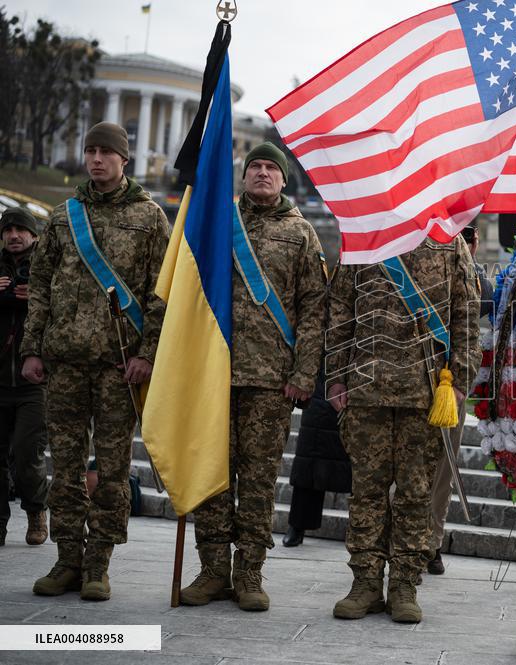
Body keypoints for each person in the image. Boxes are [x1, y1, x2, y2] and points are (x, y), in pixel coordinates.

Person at [21, 122, 170, 600]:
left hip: (116, 365)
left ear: (124, 159)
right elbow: (40, 286)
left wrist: (147, 354)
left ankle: (98, 565)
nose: (97, 160)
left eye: (107, 152)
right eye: (90, 151)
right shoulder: (64, 216)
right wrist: (32, 348)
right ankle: (67, 559)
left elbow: (160, 295)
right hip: (62, 362)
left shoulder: (149, 219)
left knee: (110, 468)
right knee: (64, 467)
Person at [179, 142, 327, 612]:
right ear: (243, 176)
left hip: (270, 379)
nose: (262, 173)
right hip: (213, 374)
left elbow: (313, 310)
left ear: (284, 180)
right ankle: (212, 571)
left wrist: (304, 372)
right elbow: (187, 291)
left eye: (271, 168)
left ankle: (249, 575)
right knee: (213, 475)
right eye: (255, 167)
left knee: (260, 480)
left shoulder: (301, 234)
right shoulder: (215, 223)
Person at [326, 236, 479, 623]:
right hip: (366, 388)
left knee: (415, 493)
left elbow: (466, 315)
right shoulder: (364, 232)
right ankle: (365, 583)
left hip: (424, 392)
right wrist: (335, 378)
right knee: (367, 492)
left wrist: (459, 380)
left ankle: (404, 585)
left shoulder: (449, 242)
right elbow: (341, 311)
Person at [425, 219, 492, 576]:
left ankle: (432, 542)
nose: (462, 242)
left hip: (450, 387)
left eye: (467, 236)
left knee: (442, 471)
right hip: (408, 380)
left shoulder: (478, 277)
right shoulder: (421, 260)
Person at [0, 207, 49, 548]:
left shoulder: (47, 267)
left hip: (35, 381)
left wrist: (39, 298)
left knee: (27, 454)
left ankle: (36, 510)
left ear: (34, 235)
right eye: (8, 230)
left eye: (21, 230)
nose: (14, 235)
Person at [281, 366, 351, 548]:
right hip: (323, 374)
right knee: (309, 456)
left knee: (363, 462)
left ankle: (361, 529)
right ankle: (298, 524)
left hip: (358, 372)